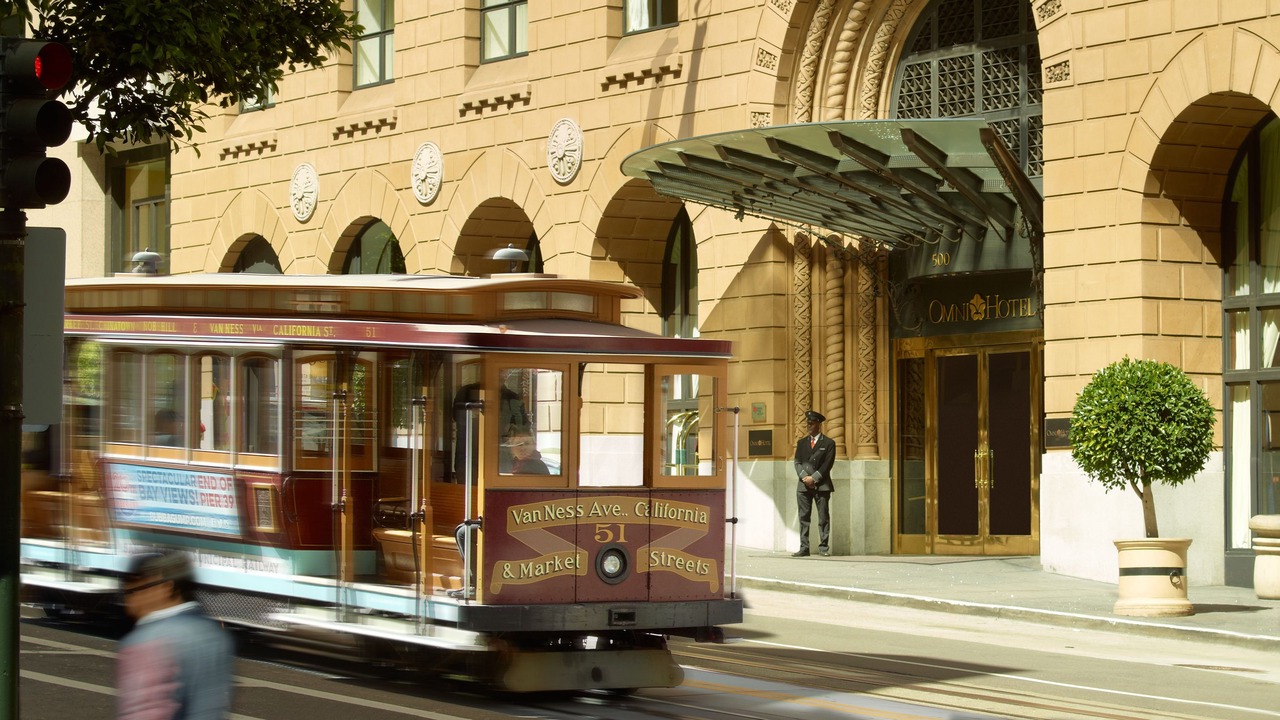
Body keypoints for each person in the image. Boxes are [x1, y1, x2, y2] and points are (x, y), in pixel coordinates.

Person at [117, 551, 233, 720]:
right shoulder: (214, 633)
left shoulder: (147, 640)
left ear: (163, 587)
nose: (128, 604)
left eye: (132, 592)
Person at [793, 409, 835, 557]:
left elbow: (827, 464)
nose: (809, 426)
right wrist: (805, 477)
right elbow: (797, 462)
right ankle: (804, 547)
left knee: (823, 517)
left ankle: (823, 547)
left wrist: (814, 478)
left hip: (821, 485)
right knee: (803, 517)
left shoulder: (829, 443)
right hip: (803, 486)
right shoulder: (801, 442)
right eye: (807, 424)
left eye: (811, 424)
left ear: (819, 425)